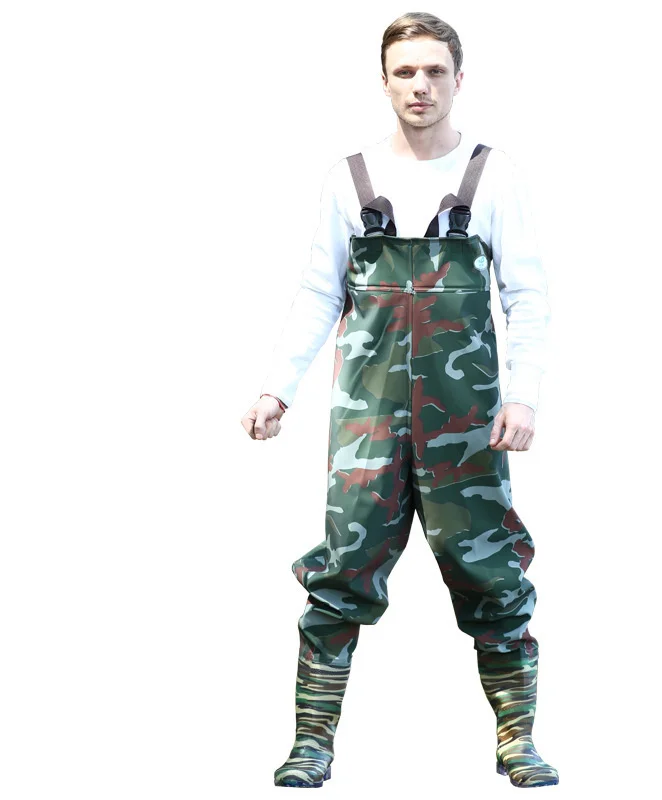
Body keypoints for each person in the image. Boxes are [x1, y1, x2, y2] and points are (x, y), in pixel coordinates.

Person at [240, 12, 558, 790]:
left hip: (469, 424)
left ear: (459, 79)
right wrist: (277, 388)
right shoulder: (348, 179)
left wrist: (524, 397)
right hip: (368, 421)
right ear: (383, 82)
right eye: (406, 72)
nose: (421, 85)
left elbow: (527, 294)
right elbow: (318, 291)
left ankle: (517, 739)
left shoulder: (494, 176)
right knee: (342, 571)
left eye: (435, 71)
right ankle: (311, 742)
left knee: (490, 572)